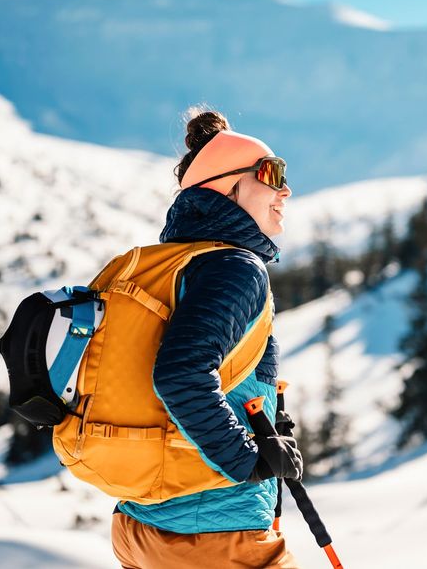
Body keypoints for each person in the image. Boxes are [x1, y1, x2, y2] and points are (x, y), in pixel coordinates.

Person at [110, 109, 303, 568]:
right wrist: (245, 459)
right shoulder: (237, 267)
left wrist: (269, 425)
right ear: (227, 186)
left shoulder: (176, 263)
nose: (285, 189)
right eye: (271, 173)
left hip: (140, 523)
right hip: (214, 535)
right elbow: (180, 372)